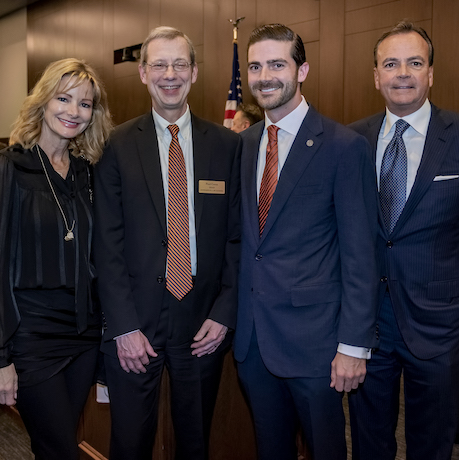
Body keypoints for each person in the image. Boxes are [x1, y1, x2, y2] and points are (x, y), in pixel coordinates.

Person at [93, 26, 241, 460]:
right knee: (130, 442)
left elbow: (237, 238)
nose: (169, 74)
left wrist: (224, 312)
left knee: (194, 441)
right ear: (142, 74)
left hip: (202, 321)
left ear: (194, 73)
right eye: (159, 64)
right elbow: (107, 242)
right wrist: (123, 326)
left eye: (179, 64)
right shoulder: (114, 147)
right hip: (134, 321)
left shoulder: (228, 146)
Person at [233, 23, 379, 460]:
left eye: (277, 64)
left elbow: (360, 256)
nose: (264, 76)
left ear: (302, 70)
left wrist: (353, 346)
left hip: (317, 347)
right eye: (255, 66)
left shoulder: (343, 146)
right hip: (253, 342)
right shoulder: (242, 146)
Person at [348, 20, 459, 460]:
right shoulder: (350, 140)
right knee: (368, 441)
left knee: (432, 445)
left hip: (440, 325)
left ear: (431, 73)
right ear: (376, 76)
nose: (403, 73)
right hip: (366, 325)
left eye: (414, 62)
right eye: (391, 63)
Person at [0, 58, 112, 460]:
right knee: (60, 447)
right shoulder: (9, 169)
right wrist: (1, 358)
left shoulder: (89, 173)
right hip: (29, 335)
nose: (73, 112)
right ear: (43, 102)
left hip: (84, 333)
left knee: (54, 444)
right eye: (63, 99)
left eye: (84, 104)